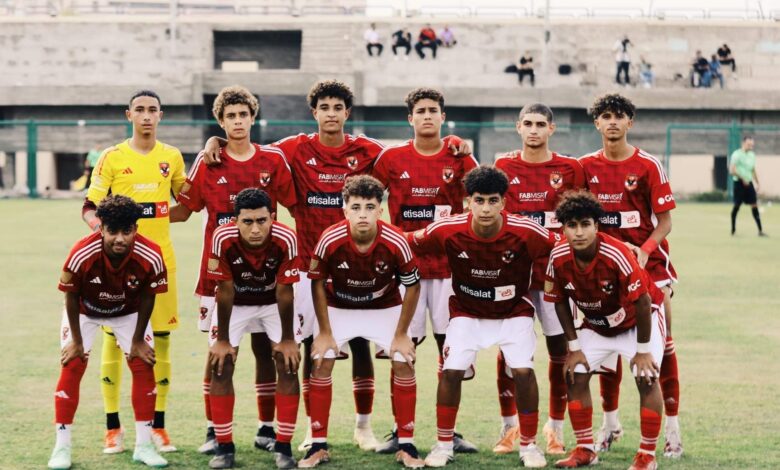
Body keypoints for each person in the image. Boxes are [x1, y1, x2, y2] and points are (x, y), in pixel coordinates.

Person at [201, 79, 471, 452]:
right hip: (308, 266)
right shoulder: (294, 148)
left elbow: (410, 152)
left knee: (361, 346)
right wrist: (215, 141)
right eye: (324, 108)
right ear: (314, 113)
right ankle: (313, 431)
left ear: (347, 112)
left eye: (337, 107)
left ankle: (364, 426)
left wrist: (451, 141)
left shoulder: (368, 150)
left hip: (360, 263)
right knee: (311, 347)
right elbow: (250, 149)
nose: (331, 114)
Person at [170, 85, 297, 457]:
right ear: (221, 121)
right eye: (230, 116)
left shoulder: (273, 160)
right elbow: (184, 210)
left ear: (253, 118)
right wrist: (138, 215)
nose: (238, 121)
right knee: (219, 354)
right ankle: (215, 430)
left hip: (267, 275)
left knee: (266, 350)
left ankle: (266, 427)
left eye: (243, 115)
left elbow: (296, 205)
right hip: (219, 275)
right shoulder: (208, 160)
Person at [411, 166, 559, 468]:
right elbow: (405, 241)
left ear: (504, 202)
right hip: (467, 313)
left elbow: (565, 245)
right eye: (479, 200)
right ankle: (443, 445)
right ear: (469, 202)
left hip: (513, 312)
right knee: (451, 371)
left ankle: (529, 445)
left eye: (493, 201)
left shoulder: (526, 231)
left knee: (523, 372)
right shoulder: (447, 229)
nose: (486, 208)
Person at [371, 88, 479, 455]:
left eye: (434, 110)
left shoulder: (460, 156)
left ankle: (449, 433)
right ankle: (402, 432)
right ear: (410, 118)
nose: (428, 116)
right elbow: (367, 199)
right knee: (403, 350)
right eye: (421, 111)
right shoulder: (392, 158)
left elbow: (485, 196)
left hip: (451, 269)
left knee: (452, 352)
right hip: (407, 269)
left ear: (443, 117)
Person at [580, 93, 682, 459]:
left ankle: (673, 430)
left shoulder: (648, 165)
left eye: (619, 116)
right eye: (606, 116)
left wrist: (645, 250)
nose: (612, 122)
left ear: (630, 122)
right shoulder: (584, 166)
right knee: (607, 344)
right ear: (597, 123)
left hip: (649, 267)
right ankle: (610, 425)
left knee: (661, 348)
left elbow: (665, 222)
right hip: (601, 271)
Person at [83, 90, 186, 454]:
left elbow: (188, 203)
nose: (146, 115)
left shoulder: (172, 156)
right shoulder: (112, 157)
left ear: (161, 115)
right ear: (129, 115)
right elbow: (89, 206)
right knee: (114, 340)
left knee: (161, 341)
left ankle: (158, 425)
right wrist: (107, 235)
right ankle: (113, 426)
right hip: (119, 266)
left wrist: (213, 148)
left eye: (152, 110)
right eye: (139, 110)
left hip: (161, 262)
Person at [300, 175, 424, 469]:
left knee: (403, 360)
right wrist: (325, 332)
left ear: (380, 209)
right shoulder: (330, 238)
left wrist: (401, 334)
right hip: (340, 305)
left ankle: (406, 445)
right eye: (356, 207)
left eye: (370, 207)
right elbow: (317, 283)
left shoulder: (396, 240)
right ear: (345, 210)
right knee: (321, 359)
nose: (363, 214)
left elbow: (413, 286)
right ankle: (317, 445)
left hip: (383, 306)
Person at [546, 190, 666, 470]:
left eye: (585, 224)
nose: (579, 232)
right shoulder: (558, 256)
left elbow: (643, 301)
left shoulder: (617, 253)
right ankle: (585, 449)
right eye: (571, 225)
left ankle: (647, 455)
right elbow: (559, 300)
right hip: (597, 324)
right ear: (563, 228)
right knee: (575, 373)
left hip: (639, 322)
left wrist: (642, 351)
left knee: (646, 376)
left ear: (596, 225)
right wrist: (574, 348)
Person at [48, 195, 169, 469]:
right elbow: (70, 295)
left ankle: (144, 446)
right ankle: (61, 447)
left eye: (127, 231)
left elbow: (149, 297)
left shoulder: (151, 254)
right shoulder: (82, 253)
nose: (120, 239)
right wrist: (76, 341)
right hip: (84, 311)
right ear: (101, 228)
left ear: (136, 229)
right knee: (72, 364)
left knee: (143, 363)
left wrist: (138, 340)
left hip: (128, 312)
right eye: (112, 231)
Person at [493, 103, 585, 456]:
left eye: (540, 124)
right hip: (513, 274)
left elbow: (582, 218)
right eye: (528, 123)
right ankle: (509, 427)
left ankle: (555, 427)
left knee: (560, 350)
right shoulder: (503, 167)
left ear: (551, 129)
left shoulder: (569, 168)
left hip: (554, 275)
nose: (534, 130)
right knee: (509, 351)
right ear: (518, 127)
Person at [205, 188, 303, 469]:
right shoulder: (222, 237)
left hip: (272, 302)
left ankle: (283, 446)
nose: (256, 229)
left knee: (287, 362)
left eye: (262, 221)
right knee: (221, 364)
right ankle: (224, 447)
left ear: (272, 217)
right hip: (236, 303)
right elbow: (225, 291)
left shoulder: (286, 238)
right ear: (235, 220)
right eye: (247, 222)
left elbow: (285, 292)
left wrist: (287, 340)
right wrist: (223, 340)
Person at [730, 136, 766, 236]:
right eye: (749, 144)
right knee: (737, 206)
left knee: (754, 205)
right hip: (739, 183)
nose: (750, 147)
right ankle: (733, 230)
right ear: (743, 143)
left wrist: (757, 182)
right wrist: (742, 179)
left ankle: (760, 231)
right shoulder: (736, 154)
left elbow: (753, 170)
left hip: (749, 183)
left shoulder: (752, 155)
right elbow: (732, 170)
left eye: (752, 145)